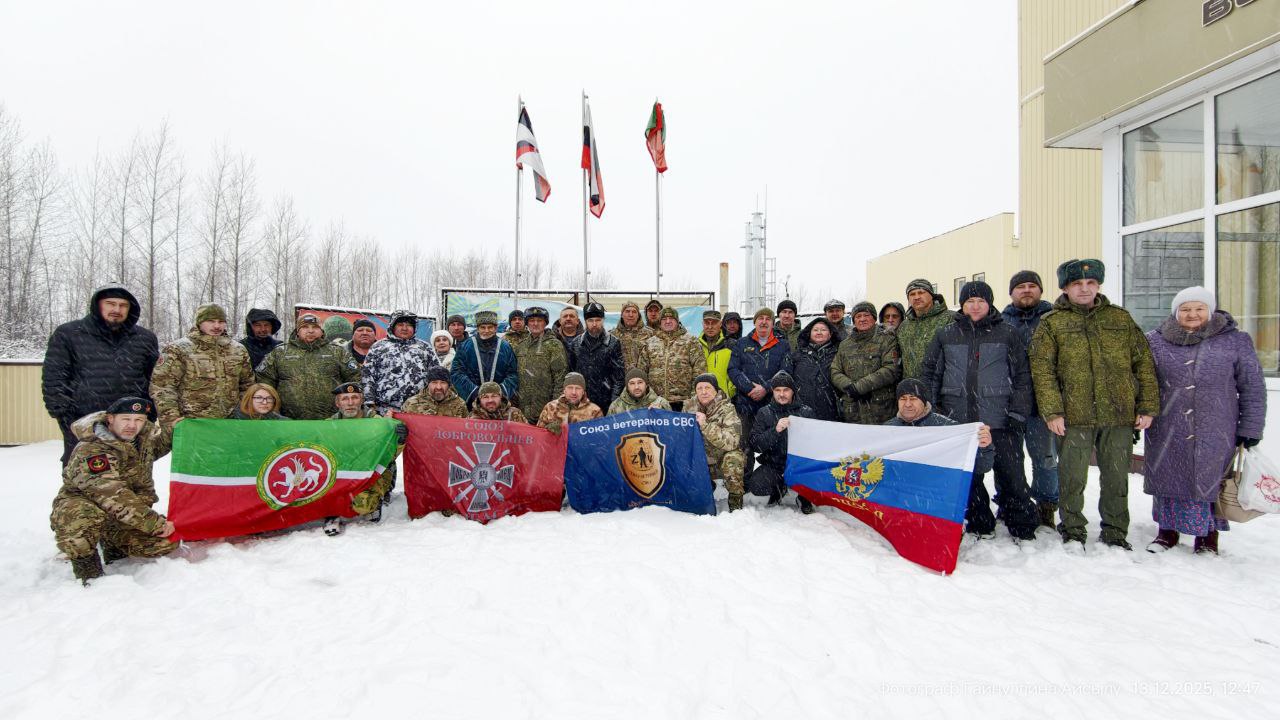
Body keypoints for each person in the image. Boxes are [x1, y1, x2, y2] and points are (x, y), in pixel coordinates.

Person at [1029, 259, 1159, 551]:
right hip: (1073, 416)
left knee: (1116, 479)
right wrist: (1053, 411)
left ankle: (1115, 531)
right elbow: (1043, 371)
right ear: (1065, 287)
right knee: (1072, 478)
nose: (1084, 289)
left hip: (1118, 413)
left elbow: (1144, 365)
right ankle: (1073, 529)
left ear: (1098, 285)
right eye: (1077, 284)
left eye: (1090, 283)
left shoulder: (1120, 320)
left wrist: (1147, 406)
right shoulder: (1052, 323)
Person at [1143, 287, 1266, 555]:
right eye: (1185, 309)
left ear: (1210, 311)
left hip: (1217, 425)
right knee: (1168, 477)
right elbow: (1142, 382)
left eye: (1199, 308)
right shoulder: (1155, 340)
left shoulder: (1235, 340)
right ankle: (1167, 532)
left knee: (1210, 480)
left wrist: (1251, 427)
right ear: (1176, 312)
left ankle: (1208, 537)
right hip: (1167, 424)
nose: (1192, 314)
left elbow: (1253, 387)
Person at [920, 281, 1038, 540]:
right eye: (969, 301)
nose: (975, 306)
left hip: (1001, 419)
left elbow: (1022, 376)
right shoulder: (946, 334)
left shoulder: (1007, 333)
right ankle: (979, 522)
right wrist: (935, 410)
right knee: (969, 477)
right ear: (962, 305)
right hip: (957, 419)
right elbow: (930, 373)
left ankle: (1021, 523)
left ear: (990, 303)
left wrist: (1017, 413)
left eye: (981, 301)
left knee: (1012, 475)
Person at [50, 397, 177, 583]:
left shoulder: (141, 442)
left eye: (138, 420)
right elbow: (112, 493)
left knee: (163, 543)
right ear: (110, 419)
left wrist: (178, 426)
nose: (132, 425)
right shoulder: (92, 448)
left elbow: (163, 443)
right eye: (125, 419)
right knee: (78, 522)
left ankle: (111, 540)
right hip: (88, 509)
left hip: (121, 514)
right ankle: (88, 573)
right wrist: (153, 523)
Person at [43, 284, 160, 465]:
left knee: (133, 479)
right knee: (85, 480)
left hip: (132, 425)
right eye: (110, 303)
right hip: (84, 424)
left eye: (123, 305)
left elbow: (155, 380)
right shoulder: (69, 334)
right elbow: (54, 380)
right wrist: (67, 419)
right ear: (98, 305)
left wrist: (148, 416)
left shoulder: (145, 338)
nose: (116, 309)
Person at [1001, 270, 1058, 526]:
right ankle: (1009, 501)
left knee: (1044, 459)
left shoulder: (1053, 319)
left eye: (1031, 286)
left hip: (1042, 405)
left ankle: (1046, 505)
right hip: (1008, 404)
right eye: (1020, 286)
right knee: (1009, 461)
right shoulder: (1001, 321)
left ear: (1040, 291)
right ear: (1011, 292)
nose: (1026, 290)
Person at [885, 379, 994, 500]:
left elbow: (982, 467)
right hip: (900, 502)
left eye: (913, 398)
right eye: (903, 399)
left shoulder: (946, 428)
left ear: (924, 401)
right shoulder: (886, 430)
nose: (908, 404)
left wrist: (983, 447)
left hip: (939, 500)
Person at [150, 304, 255, 428]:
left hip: (231, 423)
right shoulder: (179, 349)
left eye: (221, 321)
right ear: (199, 322)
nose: (217, 326)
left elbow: (248, 386)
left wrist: (245, 416)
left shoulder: (238, 350)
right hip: (192, 423)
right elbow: (163, 387)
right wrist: (172, 420)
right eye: (210, 321)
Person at [323, 382, 408, 535]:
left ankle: (377, 499)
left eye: (354, 398)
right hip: (344, 473)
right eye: (345, 399)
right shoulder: (329, 425)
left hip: (373, 472)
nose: (350, 403)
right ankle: (332, 513)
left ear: (361, 400)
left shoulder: (377, 422)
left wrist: (400, 440)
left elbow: (390, 455)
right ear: (337, 403)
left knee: (362, 504)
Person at [256, 312, 361, 419]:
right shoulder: (280, 352)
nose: (310, 331)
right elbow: (264, 382)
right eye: (305, 327)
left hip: (330, 420)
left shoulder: (337, 352)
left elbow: (354, 379)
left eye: (315, 327)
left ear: (322, 331)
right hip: (288, 421)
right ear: (297, 331)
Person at [728, 308, 791, 476]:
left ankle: (773, 479)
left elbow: (785, 371)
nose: (764, 321)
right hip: (745, 403)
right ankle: (746, 479)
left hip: (772, 405)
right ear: (754, 322)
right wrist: (749, 388)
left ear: (772, 323)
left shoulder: (782, 345)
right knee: (744, 444)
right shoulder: (742, 343)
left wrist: (766, 388)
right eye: (760, 318)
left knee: (774, 441)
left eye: (767, 319)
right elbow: (733, 369)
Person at [748, 371, 815, 510]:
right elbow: (755, 445)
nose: (782, 394)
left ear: (793, 391)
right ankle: (778, 488)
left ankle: (805, 497)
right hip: (775, 465)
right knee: (757, 485)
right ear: (772, 391)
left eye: (786, 390)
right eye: (777, 390)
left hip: (800, 465)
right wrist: (775, 430)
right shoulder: (764, 412)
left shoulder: (806, 412)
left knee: (819, 474)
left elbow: (816, 443)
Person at [829, 302, 900, 425]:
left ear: (874, 318)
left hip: (881, 409)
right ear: (853, 320)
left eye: (866, 315)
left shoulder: (887, 339)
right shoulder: (845, 344)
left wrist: (860, 387)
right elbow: (835, 370)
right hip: (853, 410)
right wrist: (849, 387)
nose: (862, 319)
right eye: (858, 316)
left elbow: (891, 369)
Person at [361, 310, 439, 415]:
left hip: (419, 409)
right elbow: (367, 376)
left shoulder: (425, 348)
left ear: (414, 328)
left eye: (409, 325)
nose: (405, 328)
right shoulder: (378, 347)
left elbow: (437, 375)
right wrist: (369, 403)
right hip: (384, 410)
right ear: (392, 326)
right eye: (400, 324)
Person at [686, 374, 745, 511]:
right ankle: (705, 488)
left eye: (707, 387)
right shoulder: (688, 407)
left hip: (721, 459)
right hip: (701, 460)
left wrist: (705, 426)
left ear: (716, 390)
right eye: (699, 388)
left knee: (734, 459)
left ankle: (735, 502)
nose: (703, 392)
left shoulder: (727, 409)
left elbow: (732, 442)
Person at [642, 306, 707, 411]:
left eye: (671, 319)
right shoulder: (650, 342)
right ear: (659, 322)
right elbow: (642, 372)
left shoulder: (691, 341)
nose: (668, 321)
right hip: (656, 403)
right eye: (664, 319)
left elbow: (700, 371)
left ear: (677, 321)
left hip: (684, 403)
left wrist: (693, 399)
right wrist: (647, 397)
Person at [452, 310, 519, 408]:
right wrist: (474, 392)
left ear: (495, 328)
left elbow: (513, 374)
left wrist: (500, 392)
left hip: (499, 404)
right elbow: (456, 372)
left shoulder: (505, 347)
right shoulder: (466, 346)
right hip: (473, 404)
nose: (486, 331)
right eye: (483, 327)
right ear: (478, 329)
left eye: (490, 327)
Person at [511, 306, 567, 422]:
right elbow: (515, 376)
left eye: (539, 321)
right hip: (523, 409)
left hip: (545, 409)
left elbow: (560, 378)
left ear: (545, 323)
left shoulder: (554, 345)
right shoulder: (521, 346)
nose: (535, 324)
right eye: (531, 321)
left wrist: (554, 406)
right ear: (527, 323)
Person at [567, 302, 626, 410]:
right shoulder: (576, 343)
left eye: (598, 320)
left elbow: (619, 378)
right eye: (590, 320)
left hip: (606, 403)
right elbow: (571, 374)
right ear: (585, 321)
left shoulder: (613, 343)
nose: (594, 324)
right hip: (581, 403)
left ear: (603, 320)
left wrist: (613, 403)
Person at [783, 317, 841, 422]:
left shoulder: (838, 354)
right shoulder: (797, 355)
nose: (819, 332)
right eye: (815, 330)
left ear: (830, 334)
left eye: (823, 330)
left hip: (831, 410)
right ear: (809, 333)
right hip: (802, 410)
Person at [897, 278, 953, 378]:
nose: (917, 297)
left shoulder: (950, 319)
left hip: (941, 386)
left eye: (921, 292)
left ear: (931, 295)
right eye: (912, 294)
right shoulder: (903, 326)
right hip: (912, 388)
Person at [537, 372, 603, 432]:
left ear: (583, 391)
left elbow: (600, 439)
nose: (573, 392)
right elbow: (538, 435)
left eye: (578, 388)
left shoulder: (595, 411)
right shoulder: (550, 407)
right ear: (564, 390)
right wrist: (548, 430)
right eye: (570, 388)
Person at [697, 310, 736, 401]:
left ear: (720, 324)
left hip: (723, 399)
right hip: (700, 399)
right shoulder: (695, 345)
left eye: (714, 323)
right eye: (707, 323)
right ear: (702, 324)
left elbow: (737, 371)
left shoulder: (731, 345)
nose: (710, 327)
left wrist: (729, 392)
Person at [401, 365, 469, 417]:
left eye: (443, 382)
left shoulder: (460, 404)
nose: (438, 387)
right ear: (428, 384)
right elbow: (402, 423)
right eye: (434, 382)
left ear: (449, 385)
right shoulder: (411, 403)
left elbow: (465, 430)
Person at [610, 300, 654, 370]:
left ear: (638, 315)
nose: (631, 315)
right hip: (620, 378)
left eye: (634, 312)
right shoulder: (612, 335)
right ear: (622, 315)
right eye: (627, 311)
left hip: (642, 378)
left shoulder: (650, 334)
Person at [608, 369, 673, 414]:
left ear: (646, 385)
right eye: (632, 383)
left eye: (640, 382)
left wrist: (661, 414)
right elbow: (609, 431)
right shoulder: (615, 406)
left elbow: (671, 429)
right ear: (627, 387)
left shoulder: (662, 403)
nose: (636, 387)